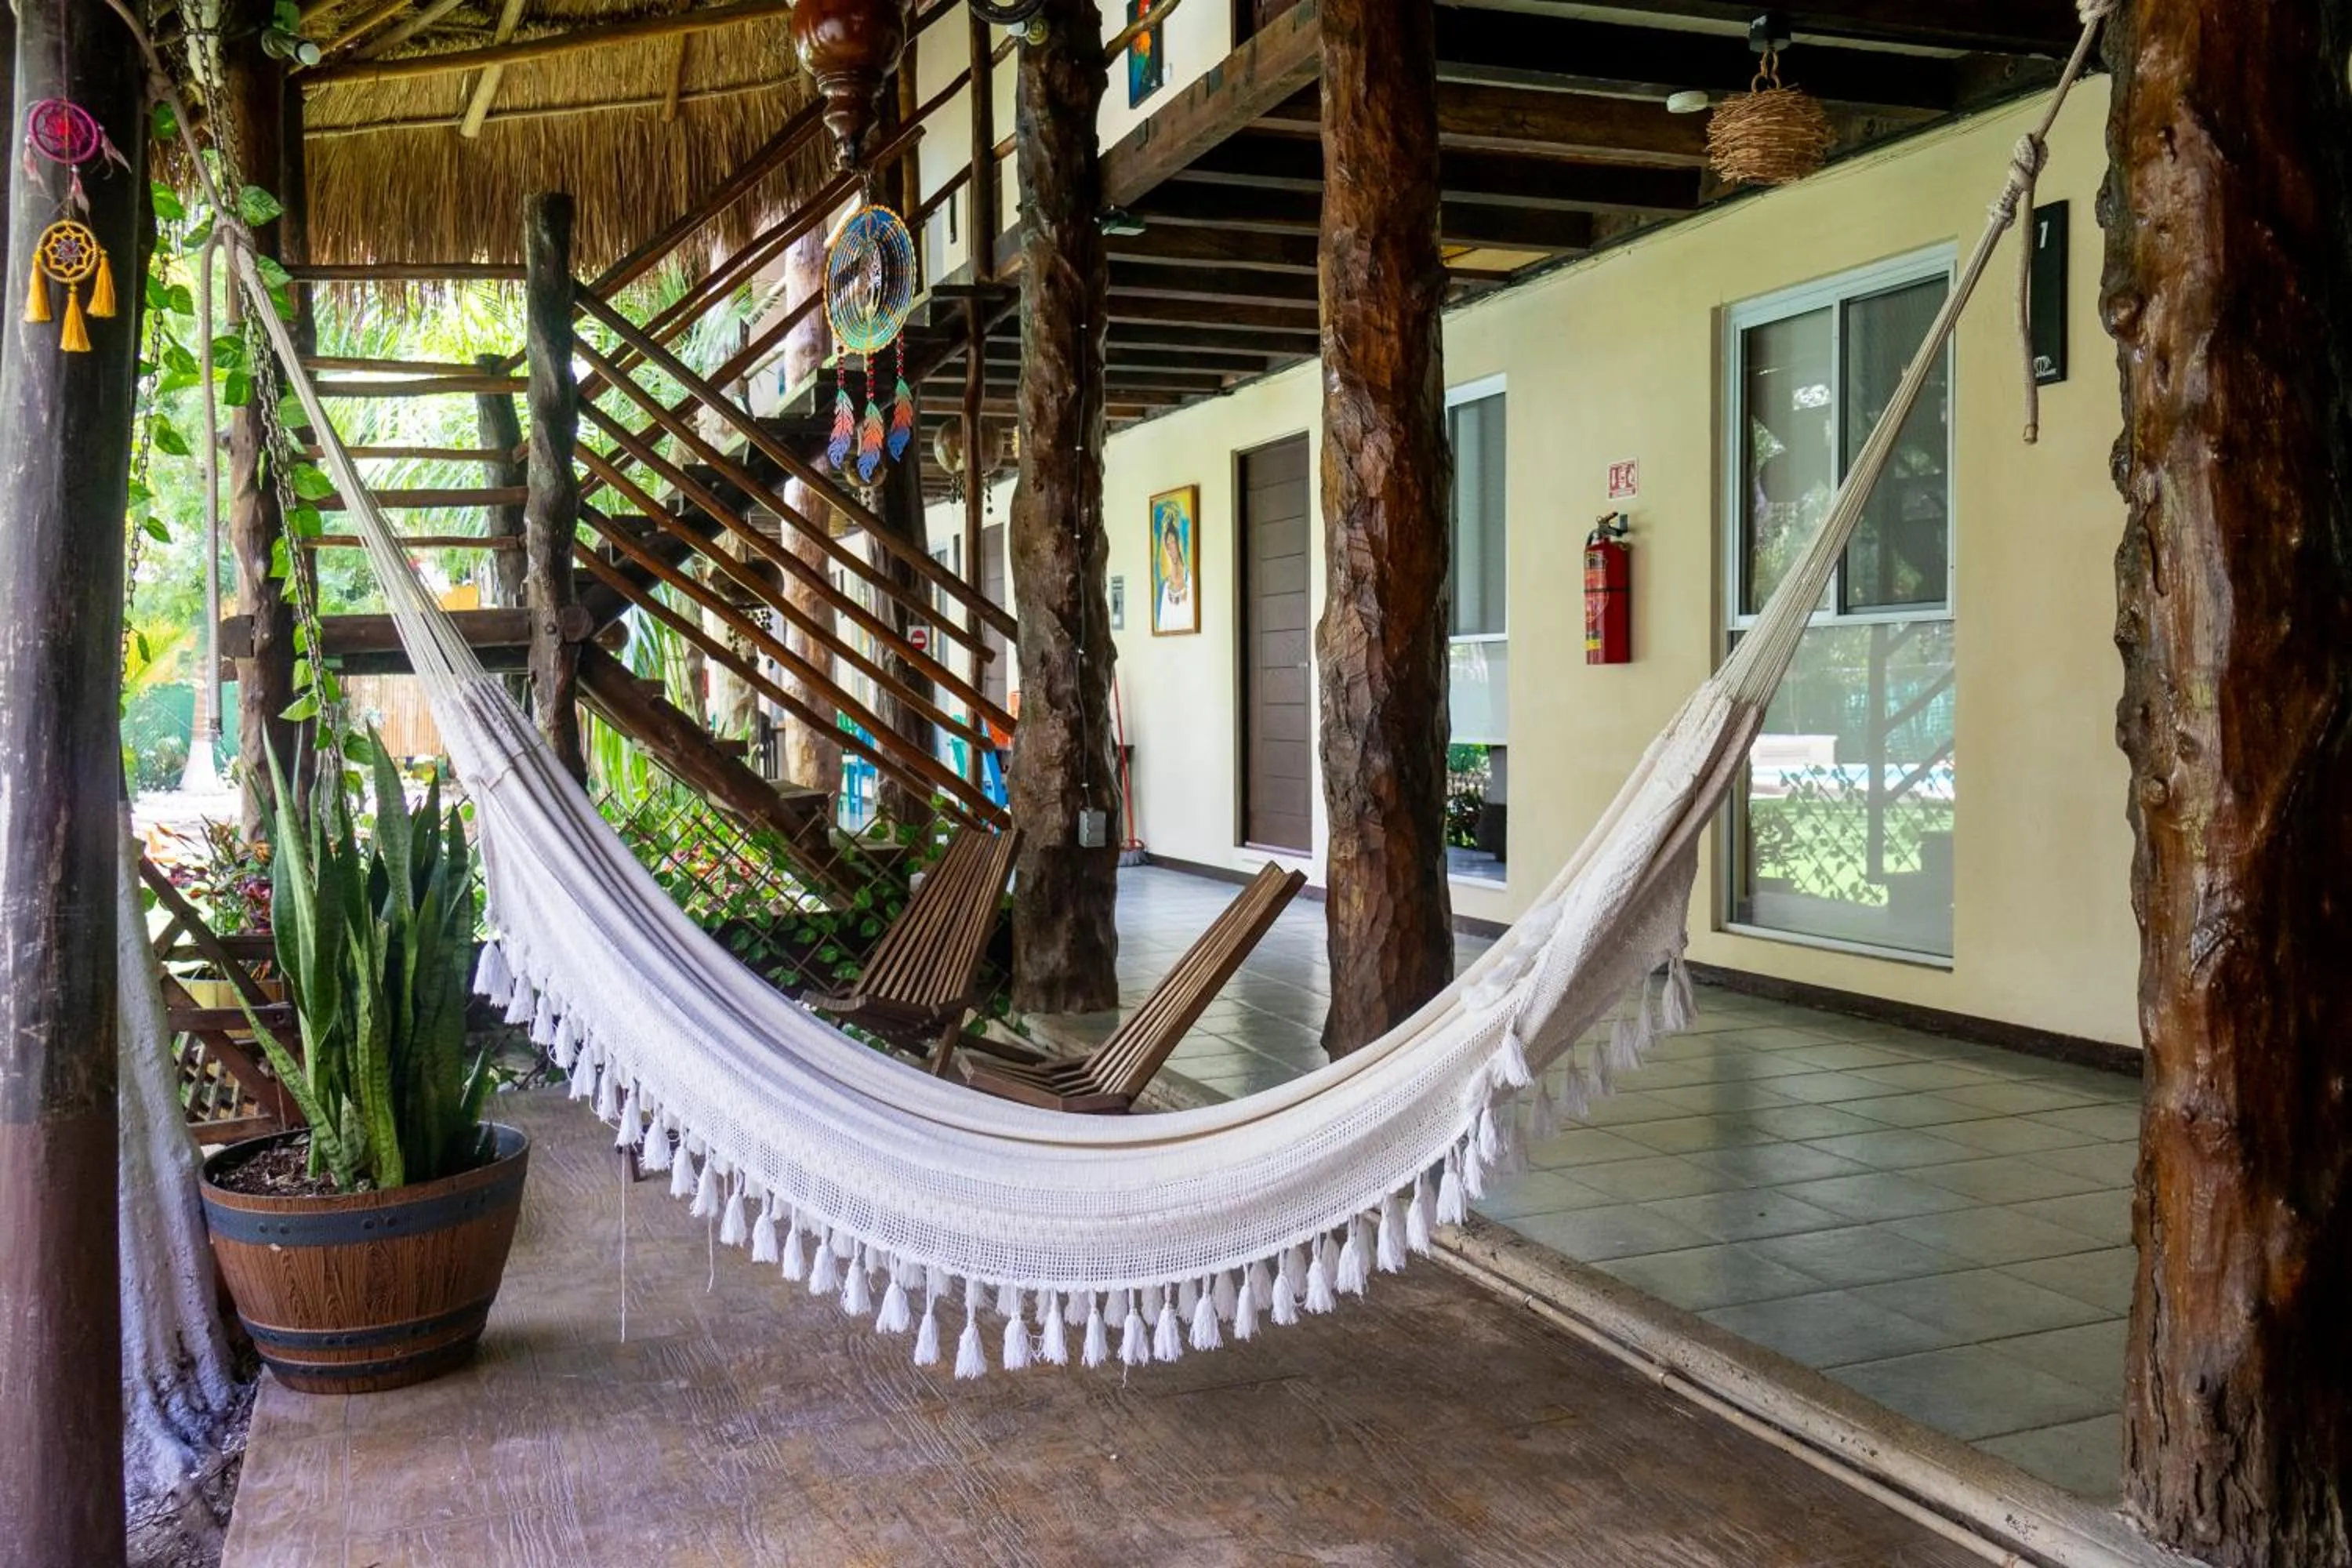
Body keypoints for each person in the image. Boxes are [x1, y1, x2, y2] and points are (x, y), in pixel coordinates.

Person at [1153, 505, 1192, 633]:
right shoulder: (1166, 587)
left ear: (1179, 543)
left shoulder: (1190, 581)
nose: (1171, 548)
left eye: (1173, 542)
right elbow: (1162, 625)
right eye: (1167, 544)